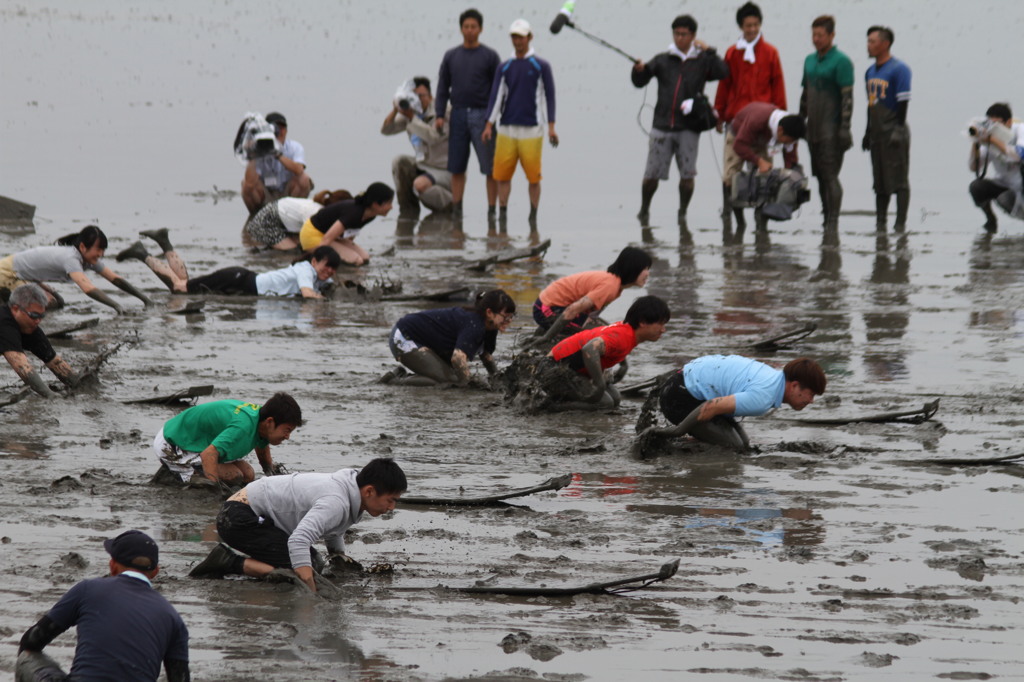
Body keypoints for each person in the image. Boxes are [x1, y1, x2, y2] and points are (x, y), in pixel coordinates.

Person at [189, 458, 407, 594]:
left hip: (249, 512)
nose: (391, 507)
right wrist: (310, 589)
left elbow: (334, 529)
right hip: (238, 518)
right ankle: (229, 561)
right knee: (308, 564)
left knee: (310, 562)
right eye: (390, 500)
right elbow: (299, 540)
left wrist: (339, 558)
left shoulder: (350, 492)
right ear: (369, 491)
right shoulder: (336, 501)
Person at [16, 530, 189, 682]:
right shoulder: (173, 617)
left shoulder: (87, 589)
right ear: (155, 572)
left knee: (28, 657)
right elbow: (179, 677)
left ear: (112, 565)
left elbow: (32, 641)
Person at [631, 14, 728, 225]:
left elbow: (723, 72)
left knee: (687, 175)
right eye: (676, 34)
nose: (680, 38)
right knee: (651, 175)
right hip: (662, 125)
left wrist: (710, 50)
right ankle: (644, 209)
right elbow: (640, 80)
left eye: (684, 34)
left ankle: (682, 212)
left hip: (689, 127)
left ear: (693, 36)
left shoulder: (703, 61)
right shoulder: (663, 59)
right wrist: (637, 70)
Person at [644, 355, 826, 449]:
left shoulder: (774, 378)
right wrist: (675, 431)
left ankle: (692, 440)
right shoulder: (764, 396)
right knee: (732, 446)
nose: (810, 401)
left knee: (743, 444)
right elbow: (711, 406)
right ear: (794, 385)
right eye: (810, 394)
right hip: (679, 396)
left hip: (686, 381)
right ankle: (670, 445)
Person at [713, 2, 787, 233]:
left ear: (760, 25)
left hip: (764, 124)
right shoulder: (732, 53)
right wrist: (719, 112)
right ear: (741, 26)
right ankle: (732, 214)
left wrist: (781, 117)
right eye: (748, 26)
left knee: (764, 170)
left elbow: (778, 86)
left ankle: (761, 216)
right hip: (736, 120)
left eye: (755, 25)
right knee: (730, 173)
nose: (752, 29)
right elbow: (725, 84)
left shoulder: (771, 52)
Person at [117, 228, 339, 299]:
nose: (328, 272)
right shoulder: (306, 270)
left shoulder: (314, 273)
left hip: (242, 280)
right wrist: (324, 302)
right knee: (180, 288)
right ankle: (142, 253)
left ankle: (165, 243)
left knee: (185, 285)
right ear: (314, 261)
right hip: (241, 280)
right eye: (325, 266)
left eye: (332, 269)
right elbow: (307, 293)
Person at [482, 19, 558, 225]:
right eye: (514, 36)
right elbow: (496, 96)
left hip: (532, 129)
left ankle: (533, 217)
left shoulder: (541, 66)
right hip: (507, 128)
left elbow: (549, 96)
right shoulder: (504, 67)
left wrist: (551, 126)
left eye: (521, 37)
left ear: (529, 38)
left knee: (534, 177)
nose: (518, 41)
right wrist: (489, 124)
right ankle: (503, 215)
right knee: (502, 175)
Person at [541, 295, 671, 411]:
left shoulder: (627, 332)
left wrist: (623, 364)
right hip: (553, 370)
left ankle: (567, 399)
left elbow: (610, 347)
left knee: (615, 398)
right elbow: (590, 349)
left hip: (567, 367)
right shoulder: (622, 337)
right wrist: (599, 383)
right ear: (642, 322)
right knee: (605, 403)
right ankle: (550, 406)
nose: (664, 330)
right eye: (660, 324)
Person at [151, 392, 301, 486]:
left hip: (193, 440)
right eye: (287, 430)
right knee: (234, 476)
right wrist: (214, 490)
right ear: (270, 422)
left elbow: (262, 447)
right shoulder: (242, 427)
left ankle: (192, 470)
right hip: (172, 443)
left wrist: (272, 475)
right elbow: (208, 454)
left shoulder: (260, 421)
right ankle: (173, 474)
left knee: (248, 474)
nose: (287, 437)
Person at [435, 8, 501, 219]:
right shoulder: (451, 55)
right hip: (458, 114)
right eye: (466, 27)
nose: (470, 30)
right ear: (461, 29)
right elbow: (443, 87)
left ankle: (492, 210)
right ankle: (457, 209)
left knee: (490, 167)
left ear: (480, 29)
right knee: (456, 167)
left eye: (474, 27)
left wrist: (491, 119)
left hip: (482, 115)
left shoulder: (490, 56)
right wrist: (438, 114)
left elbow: (498, 90)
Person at [0, 225, 152, 313]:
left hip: (23, 276)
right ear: (82, 247)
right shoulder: (70, 258)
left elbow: (115, 279)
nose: (101, 254)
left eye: (103, 250)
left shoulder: (88, 258)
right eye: (98, 249)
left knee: (57, 302)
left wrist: (145, 299)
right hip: (7, 274)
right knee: (42, 304)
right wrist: (117, 306)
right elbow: (87, 288)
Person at [381, 289, 515, 386]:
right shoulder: (475, 324)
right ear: (490, 313)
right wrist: (468, 384)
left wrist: (497, 379)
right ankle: (395, 379)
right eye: (505, 316)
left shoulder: (490, 327)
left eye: (511, 316)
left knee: (452, 378)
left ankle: (404, 374)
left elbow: (486, 356)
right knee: (449, 381)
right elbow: (458, 358)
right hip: (404, 337)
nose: (508, 321)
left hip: (423, 340)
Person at [529, 246, 652, 345]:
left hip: (552, 306)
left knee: (605, 331)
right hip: (547, 309)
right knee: (601, 335)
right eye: (645, 269)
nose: (648, 273)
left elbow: (591, 315)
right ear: (633, 269)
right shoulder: (609, 286)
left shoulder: (615, 285)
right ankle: (547, 337)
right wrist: (546, 337)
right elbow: (573, 309)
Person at [800, 15, 854, 231]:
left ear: (832, 35)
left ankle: (833, 221)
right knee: (819, 176)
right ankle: (826, 214)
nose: (816, 39)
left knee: (830, 175)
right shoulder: (809, 60)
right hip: (812, 129)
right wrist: (798, 120)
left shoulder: (841, 61)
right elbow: (805, 94)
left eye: (820, 35)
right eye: (814, 35)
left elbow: (847, 99)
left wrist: (845, 129)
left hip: (831, 129)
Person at [381, 76, 453, 218]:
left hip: (446, 170)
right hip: (424, 165)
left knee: (419, 185)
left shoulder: (444, 112)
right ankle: (408, 212)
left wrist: (412, 118)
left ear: (430, 96)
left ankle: (450, 206)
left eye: (422, 96)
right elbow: (386, 130)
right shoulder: (413, 113)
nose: (418, 100)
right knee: (399, 162)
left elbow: (433, 137)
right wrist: (396, 109)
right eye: (414, 96)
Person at [863, 26, 911, 232]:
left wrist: (899, 129)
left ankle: (900, 224)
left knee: (898, 180)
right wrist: (867, 132)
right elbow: (871, 103)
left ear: (885, 44)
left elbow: (903, 102)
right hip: (877, 132)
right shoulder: (869, 72)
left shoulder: (899, 69)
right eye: (868, 41)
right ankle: (880, 223)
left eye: (872, 41)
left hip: (893, 129)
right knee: (880, 181)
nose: (869, 45)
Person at [730, 101, 805, 229]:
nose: (791, 143)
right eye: (789, 140)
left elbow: (790, 158)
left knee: (766, 179)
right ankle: (739, 222)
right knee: (730, 177)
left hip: (764, 141)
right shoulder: (758, 120)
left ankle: (761, 222)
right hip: (738, 135)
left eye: (793, 141)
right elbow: (739, 145)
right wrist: (758, 161)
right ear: (780, 131)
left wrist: (792, 178)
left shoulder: (792, 132)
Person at [1, 283, 83, 398]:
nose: (38, 320)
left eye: (41, 316)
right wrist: (50, 395)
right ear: (15, 309)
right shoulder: (4, 323)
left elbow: (54, 361)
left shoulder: (29, 325)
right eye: (34, 315)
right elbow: (21, 366)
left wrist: (81, 385)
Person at [298, 182, 394, 265]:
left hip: (328, 235)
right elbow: (326, 239)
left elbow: (351, 233)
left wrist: (348, 249)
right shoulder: (353, 213)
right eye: (389, 203)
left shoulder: (371, 215)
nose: (391, 207)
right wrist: (317, 259)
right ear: (376, 204)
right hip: (312, 235)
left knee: (365, 258)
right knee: (356, 260)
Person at [241, 112, 314, 215]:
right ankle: (256, 216)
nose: (280, 132)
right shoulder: (258, 148)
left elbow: (299, 170)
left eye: (282, 128)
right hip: (265, 194)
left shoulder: (295, 147)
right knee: (245, 185)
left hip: (287, 194)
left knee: (304, 179)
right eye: (276, 129)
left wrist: (277, 154)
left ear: (286, 130)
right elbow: (249, 182)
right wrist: (253, 155)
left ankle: (293, 214)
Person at [968, 103, 1023, 233]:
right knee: (977, 187)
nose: (992, 128)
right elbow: (973, 167)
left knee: (1004, 198)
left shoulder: (1020, 130)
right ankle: (990, 220)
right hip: (1004, 184)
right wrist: (976, 143)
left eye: (996, 125)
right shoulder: (989, 138)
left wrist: (992, 140)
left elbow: (1018, 155)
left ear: (1008, 122)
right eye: (990, 124)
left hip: (1021, 186)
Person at [243, 190, 352, 251]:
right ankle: (268, 248)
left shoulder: (325, 210)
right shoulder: (315, 212)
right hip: (265, 223)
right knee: (293, 251)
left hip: (283, 221)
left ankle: (274, 245)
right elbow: (310, 235)